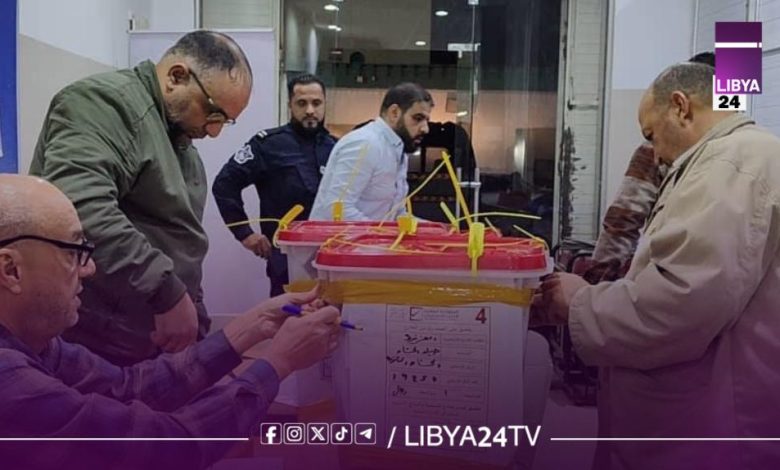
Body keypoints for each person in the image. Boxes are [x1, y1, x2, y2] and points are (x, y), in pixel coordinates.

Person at [0, 174, 342, 469]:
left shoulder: (36, 342)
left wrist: (253, 326)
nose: (89, 268)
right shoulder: (10, 383)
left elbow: (130, 387)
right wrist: (279, 361)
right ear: (11, 269)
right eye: (74, 252)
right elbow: (166, 447)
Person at [533, 62, 780, 469]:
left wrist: (581, 302)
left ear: (681, 107)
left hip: (711, 430)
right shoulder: (727, 159)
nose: (654, 153)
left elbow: (683, 304)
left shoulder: (730, 164)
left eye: (652, 135)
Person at [29, 31, 253, 365]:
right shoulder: (104, 104)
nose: (214, 131)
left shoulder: (179, 140)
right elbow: (79, 207)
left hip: (153, 337)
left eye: (226, 121)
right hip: (103, 342)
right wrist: (166, 292)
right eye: (213, 113)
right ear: (177, 77)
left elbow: (181, 237)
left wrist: (193, 308)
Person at [582, 52, 716, 284]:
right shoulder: (661, 149)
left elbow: (623, 220)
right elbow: (623, 220)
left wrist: (593, 287)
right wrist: (596, 286)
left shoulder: (740, 155)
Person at [212, 74, 336, 296]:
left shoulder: (337, 148)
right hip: (286, 260)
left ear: (325, 104)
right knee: (288, 314)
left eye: (316, 103)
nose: (310, 110)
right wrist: (244, 233)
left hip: (331, 257)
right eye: (302, 103)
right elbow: (224, 184)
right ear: (290, 105)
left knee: (331, 315)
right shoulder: (268, 145)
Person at [309, 82, 433, 221]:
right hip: (336, 236)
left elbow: (395, 216)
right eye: (418, 118)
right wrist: (382, 233)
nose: (425, 128)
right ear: (394, 113)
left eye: (426, 120)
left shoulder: (398, 150)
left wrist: (440, 230)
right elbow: (336, 210)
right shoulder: (364, 144)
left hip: (366, 235)